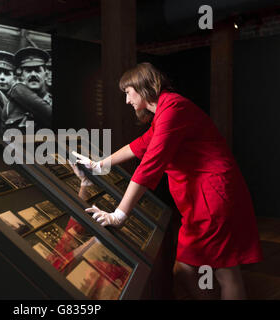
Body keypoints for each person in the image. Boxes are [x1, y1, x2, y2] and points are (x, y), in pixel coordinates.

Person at [74, 62, 263, 300]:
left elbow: (151, 163)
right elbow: (140, 145)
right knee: (186, 271)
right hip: (202, 201)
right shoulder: (166, 111)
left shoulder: (174, 108)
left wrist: (119, 215)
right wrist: (98, 165)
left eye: (127, 92)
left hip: (213, 199)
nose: (127, 100)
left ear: (142, 87)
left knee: (226, 273)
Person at [0, 47, 52, 133]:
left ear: (46, 74)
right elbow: (2, 139)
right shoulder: (10, 107)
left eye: (37, 70)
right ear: (22, 76)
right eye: (28, 71)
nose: (33, 75)